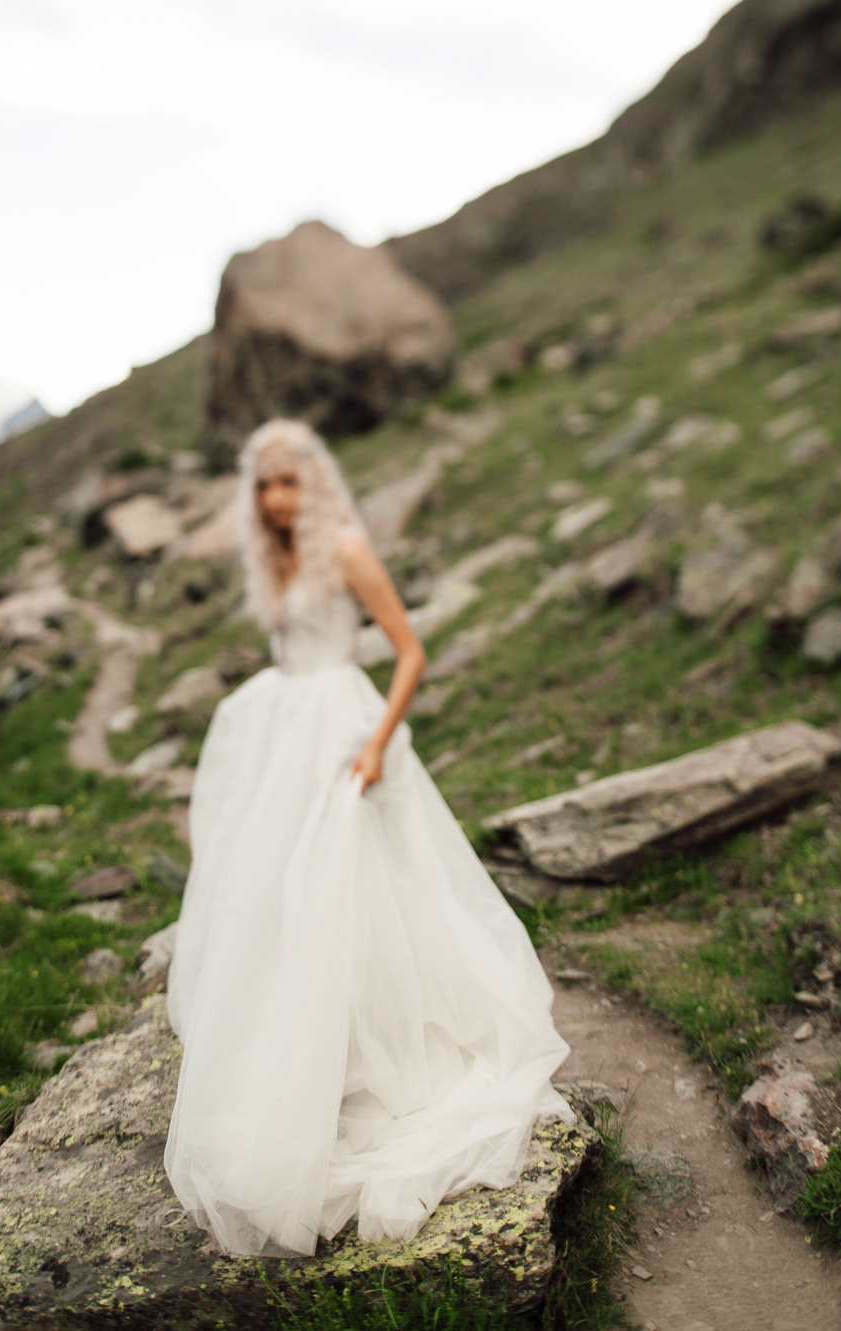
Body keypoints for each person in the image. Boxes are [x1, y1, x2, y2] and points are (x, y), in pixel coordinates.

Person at [163, 419, 573, 1259]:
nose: (277, 499)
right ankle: (320, 1046)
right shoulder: (274, 561)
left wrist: (381, 740)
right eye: (264, 485)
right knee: (285, 892)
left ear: (312, 483)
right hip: (287, 731)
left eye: (289, 482)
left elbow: (410, 651)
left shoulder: (345, 548)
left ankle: (391, 1044)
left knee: (363, 887)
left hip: (347, 730)